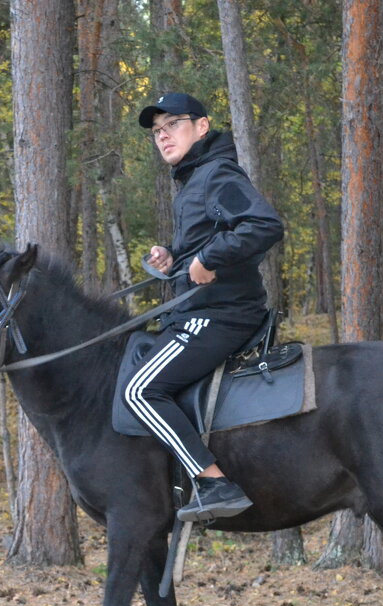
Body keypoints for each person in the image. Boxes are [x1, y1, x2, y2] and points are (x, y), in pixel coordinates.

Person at [126, 92, 284, 523]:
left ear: (201, 126)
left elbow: (264, 225)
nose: (163, 136)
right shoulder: (192, 180)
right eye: (157, 131)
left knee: (139, 391)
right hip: (202, 310)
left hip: (221, 314)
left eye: (172, 124)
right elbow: (209, 241)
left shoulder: (216, 172)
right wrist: (174, 258)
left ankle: (215, 483)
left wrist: (208, 259)